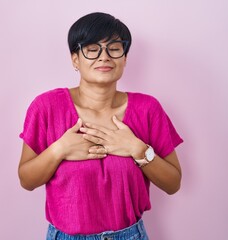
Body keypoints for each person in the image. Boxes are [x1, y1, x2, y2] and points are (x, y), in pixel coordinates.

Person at [18, 12, 183, 240]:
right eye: (92, 49)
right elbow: (26, 180)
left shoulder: (148, 109)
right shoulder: (46, 107)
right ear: (75, 58)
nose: (104, 57)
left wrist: (138, 150)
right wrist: (59, 150)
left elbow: (173, 183)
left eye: (114, 48)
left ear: (124, 58)